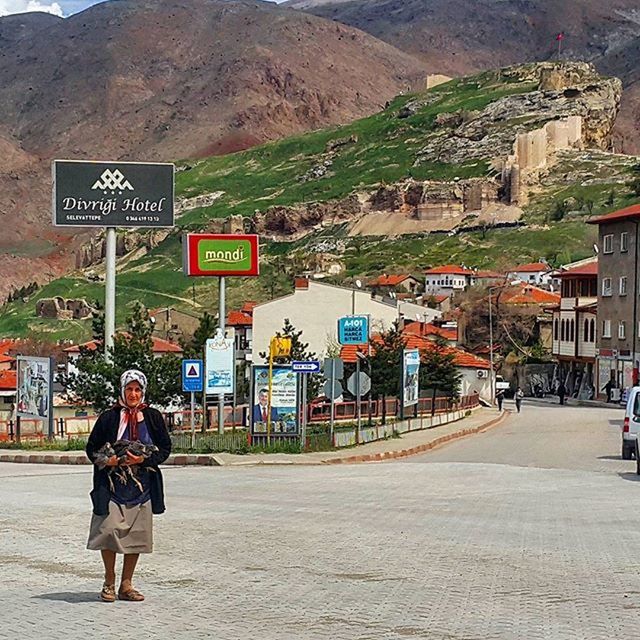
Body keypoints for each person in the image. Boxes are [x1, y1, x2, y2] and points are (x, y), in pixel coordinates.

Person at [85, 369, 171, 603]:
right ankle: (109, 581)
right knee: (109, 531)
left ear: (143, 391)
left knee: (136, 536)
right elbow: (91, 448)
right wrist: (108, 460)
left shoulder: (153, 417)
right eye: (129, 389)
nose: (133, 394)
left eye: (137, 389)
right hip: (112, 486)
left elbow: (164, 449)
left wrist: (143, 460)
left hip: (142, 487)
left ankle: (126, 584)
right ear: (122, 390)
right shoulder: (109, 417)